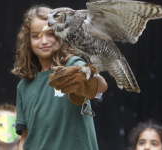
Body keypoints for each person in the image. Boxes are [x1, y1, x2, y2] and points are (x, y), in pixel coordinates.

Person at [11, 5, 107, 150]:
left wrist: (88, 80)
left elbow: (102, 86)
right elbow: (24, 138)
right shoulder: (23, 86)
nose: (44, 41)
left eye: (50, 33)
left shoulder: (72, 65)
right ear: (27, 41)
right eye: (36, 35)